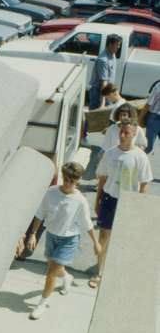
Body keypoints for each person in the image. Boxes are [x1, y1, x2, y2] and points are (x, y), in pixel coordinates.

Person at [26, 162, 101, 320]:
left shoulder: (80, 200)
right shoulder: (51, 192)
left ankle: (42, 304)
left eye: (72, 181)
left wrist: (96, 242)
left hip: (69, 239)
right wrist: (32, 233)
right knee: (53, 266)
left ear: (78, 181)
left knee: (51, 273)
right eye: (66, 179)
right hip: (52, 235)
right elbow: (40, 214)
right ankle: (67, 277)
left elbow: (87, 223)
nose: (68, 184)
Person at [89, 118, 152, 288]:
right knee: (104, 236)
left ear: (134, 134)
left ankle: (118, 272)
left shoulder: (140, 157)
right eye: (121, 132)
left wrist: (139, 206)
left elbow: (145, 183)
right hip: (109, 200)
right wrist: (97, 201)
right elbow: (102, 178)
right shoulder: (110, 153)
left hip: (129, 202)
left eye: (127, 133)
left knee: (124, 239)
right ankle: (99, 272)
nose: (123, 135)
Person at [88, 34, 122, 111]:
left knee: (107, 116)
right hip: (98, 93)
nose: (119, 47)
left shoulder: (113, 55)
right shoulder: (103, 60)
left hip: (108, 91)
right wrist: (102, 104)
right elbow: (103, 84)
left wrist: (117, 94)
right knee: (94, 116)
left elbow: (110, 80)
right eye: (117, 45)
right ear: (110, 44)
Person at [139, 80, 160, 154]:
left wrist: (139, 120)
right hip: (155, 118)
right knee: (148, 147)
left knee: (147, 147)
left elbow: (148, 104)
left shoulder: (158, 86)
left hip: (154, 119)